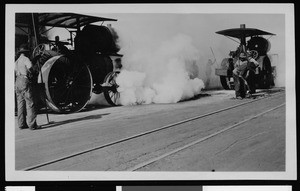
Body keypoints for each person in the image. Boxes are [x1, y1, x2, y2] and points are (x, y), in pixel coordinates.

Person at [15, 44, 40, 130]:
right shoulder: (26, 59)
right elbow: (30, 68)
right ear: (26, 52)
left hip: (17, 81)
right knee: (30, 103)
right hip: (25, 81)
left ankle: (21, 124)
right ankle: (32, 125)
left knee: (20, 103)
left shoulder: (17, 61)